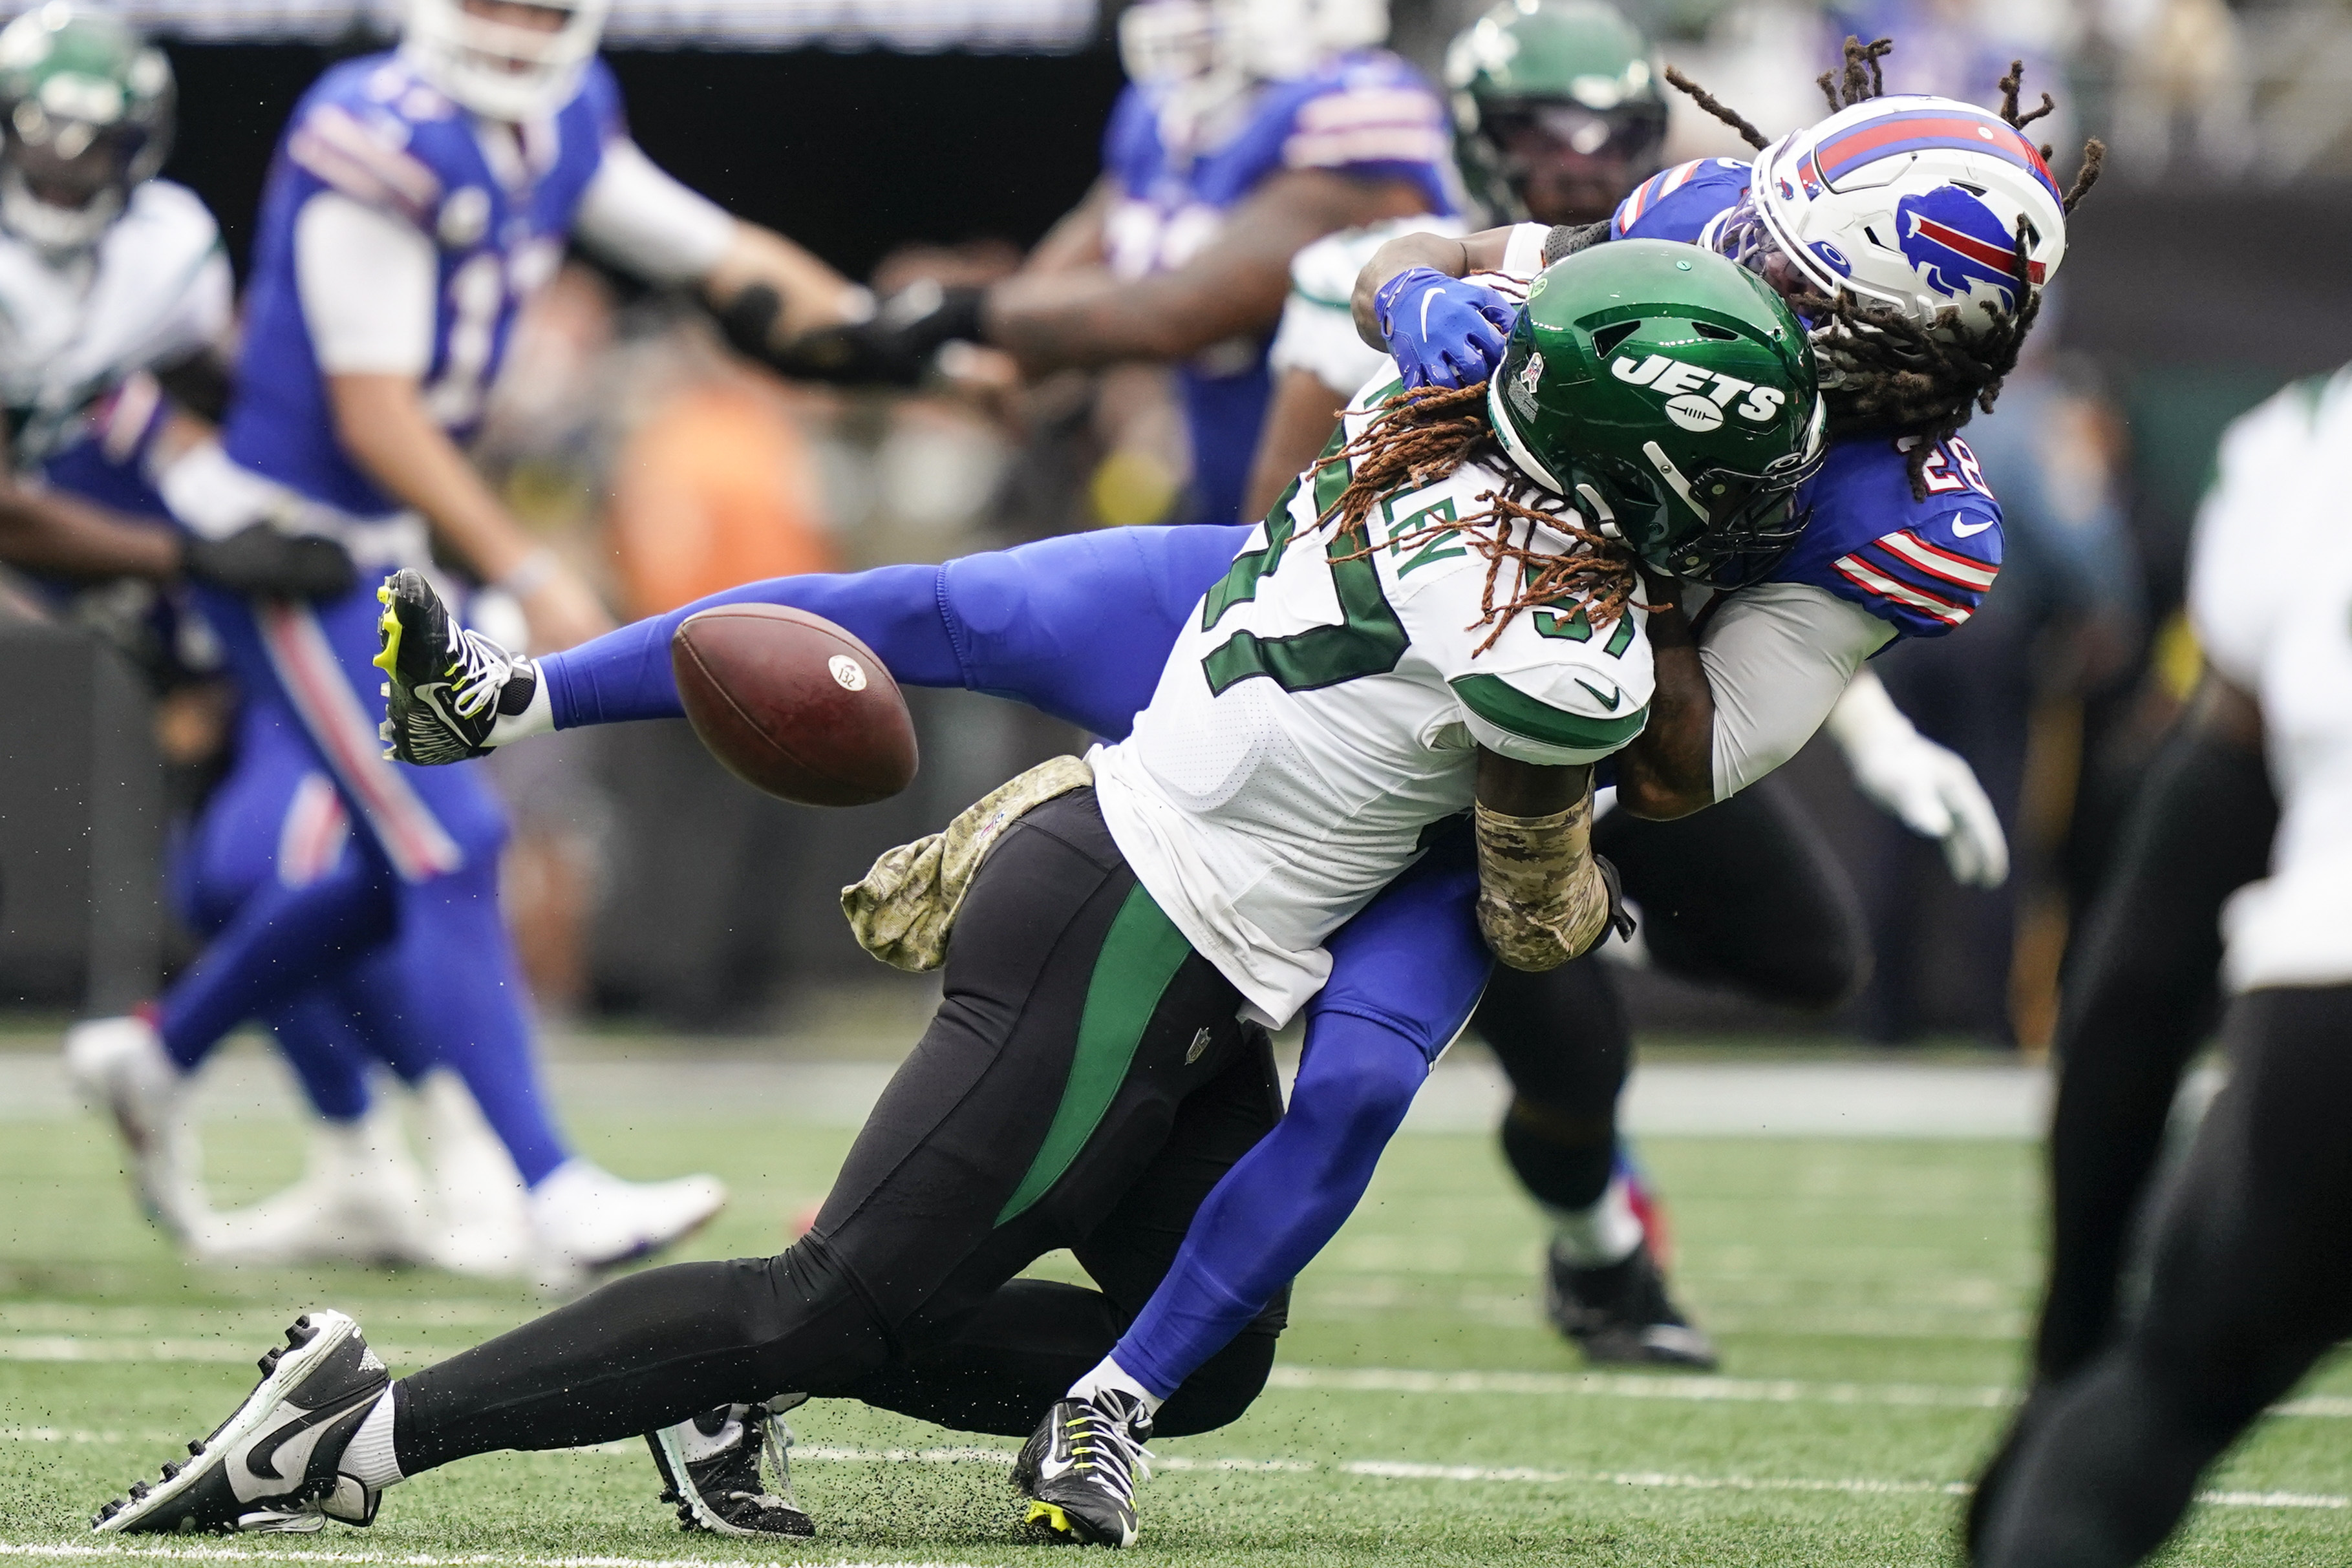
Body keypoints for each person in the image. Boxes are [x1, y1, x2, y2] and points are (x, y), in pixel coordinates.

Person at [89, 242, 1826, 1549]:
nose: (1752, 511)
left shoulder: (1418, 419)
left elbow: (1385, 289)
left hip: (1181, 924)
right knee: (829, 1298)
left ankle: (767, 1379)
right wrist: (1594, 872)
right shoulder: (1559, 648)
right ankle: (354, 1433)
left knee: (1198, 1361)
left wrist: (1407, 287)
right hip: (1128, 932)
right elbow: (1534, 912)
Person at [59, 0, 873, 1285]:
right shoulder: (368, 132)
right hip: (301, 543)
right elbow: (373, 412)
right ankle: (543, 1183)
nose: (512, 28)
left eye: (538, 4)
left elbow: (714, 254)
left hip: (385, 547)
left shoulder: (560, 119)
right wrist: (530, 565)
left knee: (404, 856)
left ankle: (164, 1050)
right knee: (448, 840)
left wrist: (888, 332)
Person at [1249, 3, 2011, 1366]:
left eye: (1797, 267)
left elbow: (1682, 750)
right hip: (1421, 654)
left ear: (1908, 342)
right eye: (1762, 231)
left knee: (1804, 955)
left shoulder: (1905, 509)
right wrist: (1422, 296)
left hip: (1619, 694)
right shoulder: (1683, 231)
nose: (1747, 263)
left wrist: (1658, 549)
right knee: (1545, 1038)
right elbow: (1282, 482)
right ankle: (1601, 1258)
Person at [1967, 367, 2352, 1568]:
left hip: (2328, 989)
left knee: (2162, 1391)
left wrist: (2074, 1333)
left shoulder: (2311, 440)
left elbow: (2148, 953)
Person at [783, 0, 1456, 526]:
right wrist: (960, 351)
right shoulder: (1168, 114)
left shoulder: (1356, 112)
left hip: (1362, 508)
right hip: (1228, 490)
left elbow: (1173, 311)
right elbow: (1068, 273)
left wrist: (951, 312)